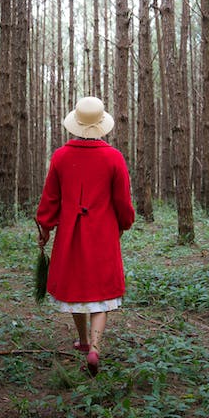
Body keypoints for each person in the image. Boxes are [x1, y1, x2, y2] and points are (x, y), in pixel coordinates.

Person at [36, 96, 135, 376]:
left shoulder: (61, 157)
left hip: (70, 235)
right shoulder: (114, 158)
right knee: (101, 293)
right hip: (103, 235)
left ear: (75, 124)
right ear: (101, 124)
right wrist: (124, 224)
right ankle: (94, 347)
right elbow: (123, 203)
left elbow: (50, 200)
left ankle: (81, 340)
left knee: (76, 290)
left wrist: (45, 227)